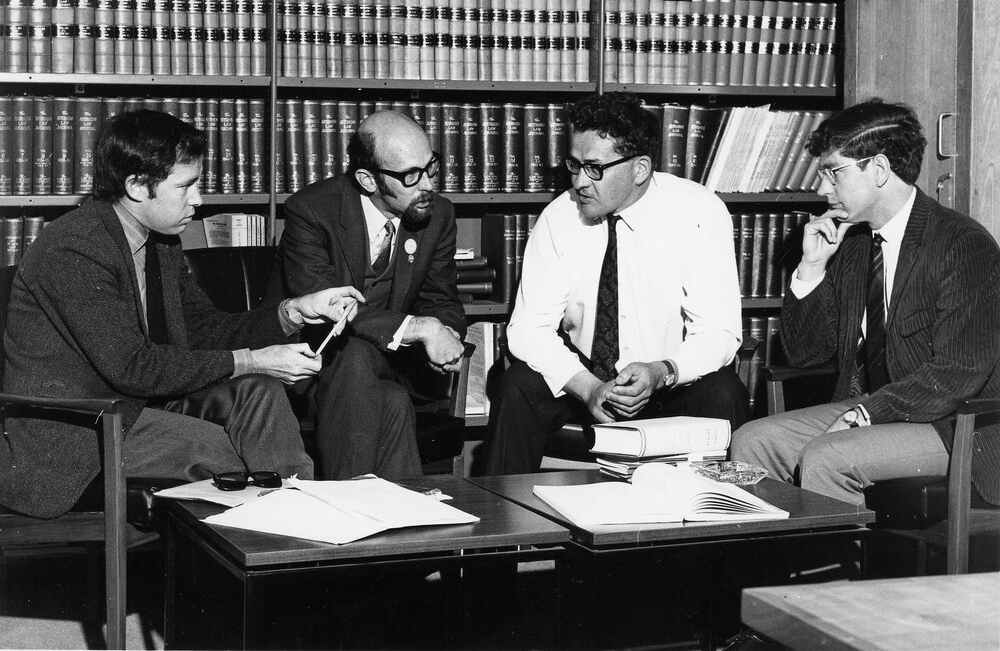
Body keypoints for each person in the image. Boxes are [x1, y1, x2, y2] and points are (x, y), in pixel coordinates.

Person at [0, 109, 362, 519]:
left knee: (261, 393)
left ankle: (303, 526)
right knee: (229, 455)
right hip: (80, 430)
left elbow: (205, 330)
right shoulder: (74, 248)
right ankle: (282, 531)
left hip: (140, 406)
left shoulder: (160, 241)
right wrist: (253, 360)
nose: (199, 199)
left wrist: (291, 313)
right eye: (186, 186)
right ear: (137, 186)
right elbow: (132, 367)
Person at [732, 98, 1000, 508]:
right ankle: (782, 551)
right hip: (875, 407)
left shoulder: (962, 244)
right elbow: (806, 355)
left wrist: (865, 414)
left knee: (827, 457)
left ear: (878, 169)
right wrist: (811, 267)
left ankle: (841, 554)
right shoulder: (854, 244)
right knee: (752, 441)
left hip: (954, 424)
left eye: (833, 173)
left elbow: (957, 373)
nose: (821, 189)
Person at [480, 92, 750, 475]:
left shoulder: (699, 211)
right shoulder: (558, 217)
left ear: (640, 169)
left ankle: (722, 507)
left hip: (667, 381)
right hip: (585, 382)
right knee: (516, 387)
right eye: (574, 165)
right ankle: (501, 512)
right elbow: (527, 329)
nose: (579, 182)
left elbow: (719, 331)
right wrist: (588, 387)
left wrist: (662, 371)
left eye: (594, 168)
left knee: (725, 392)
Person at [281, 110, 466, 480]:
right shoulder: (312, 211)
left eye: (431, 167)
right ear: (368, 179)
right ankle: (382, 508)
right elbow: (331, 307)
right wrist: (421, 329)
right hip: (315, 368)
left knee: (375, 376)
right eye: (411, 175)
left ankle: (357, 505)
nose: (428, 185)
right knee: (386, 394)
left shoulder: (438, 215)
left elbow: (442, 300)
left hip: (395, 364)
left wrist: (446, 334)